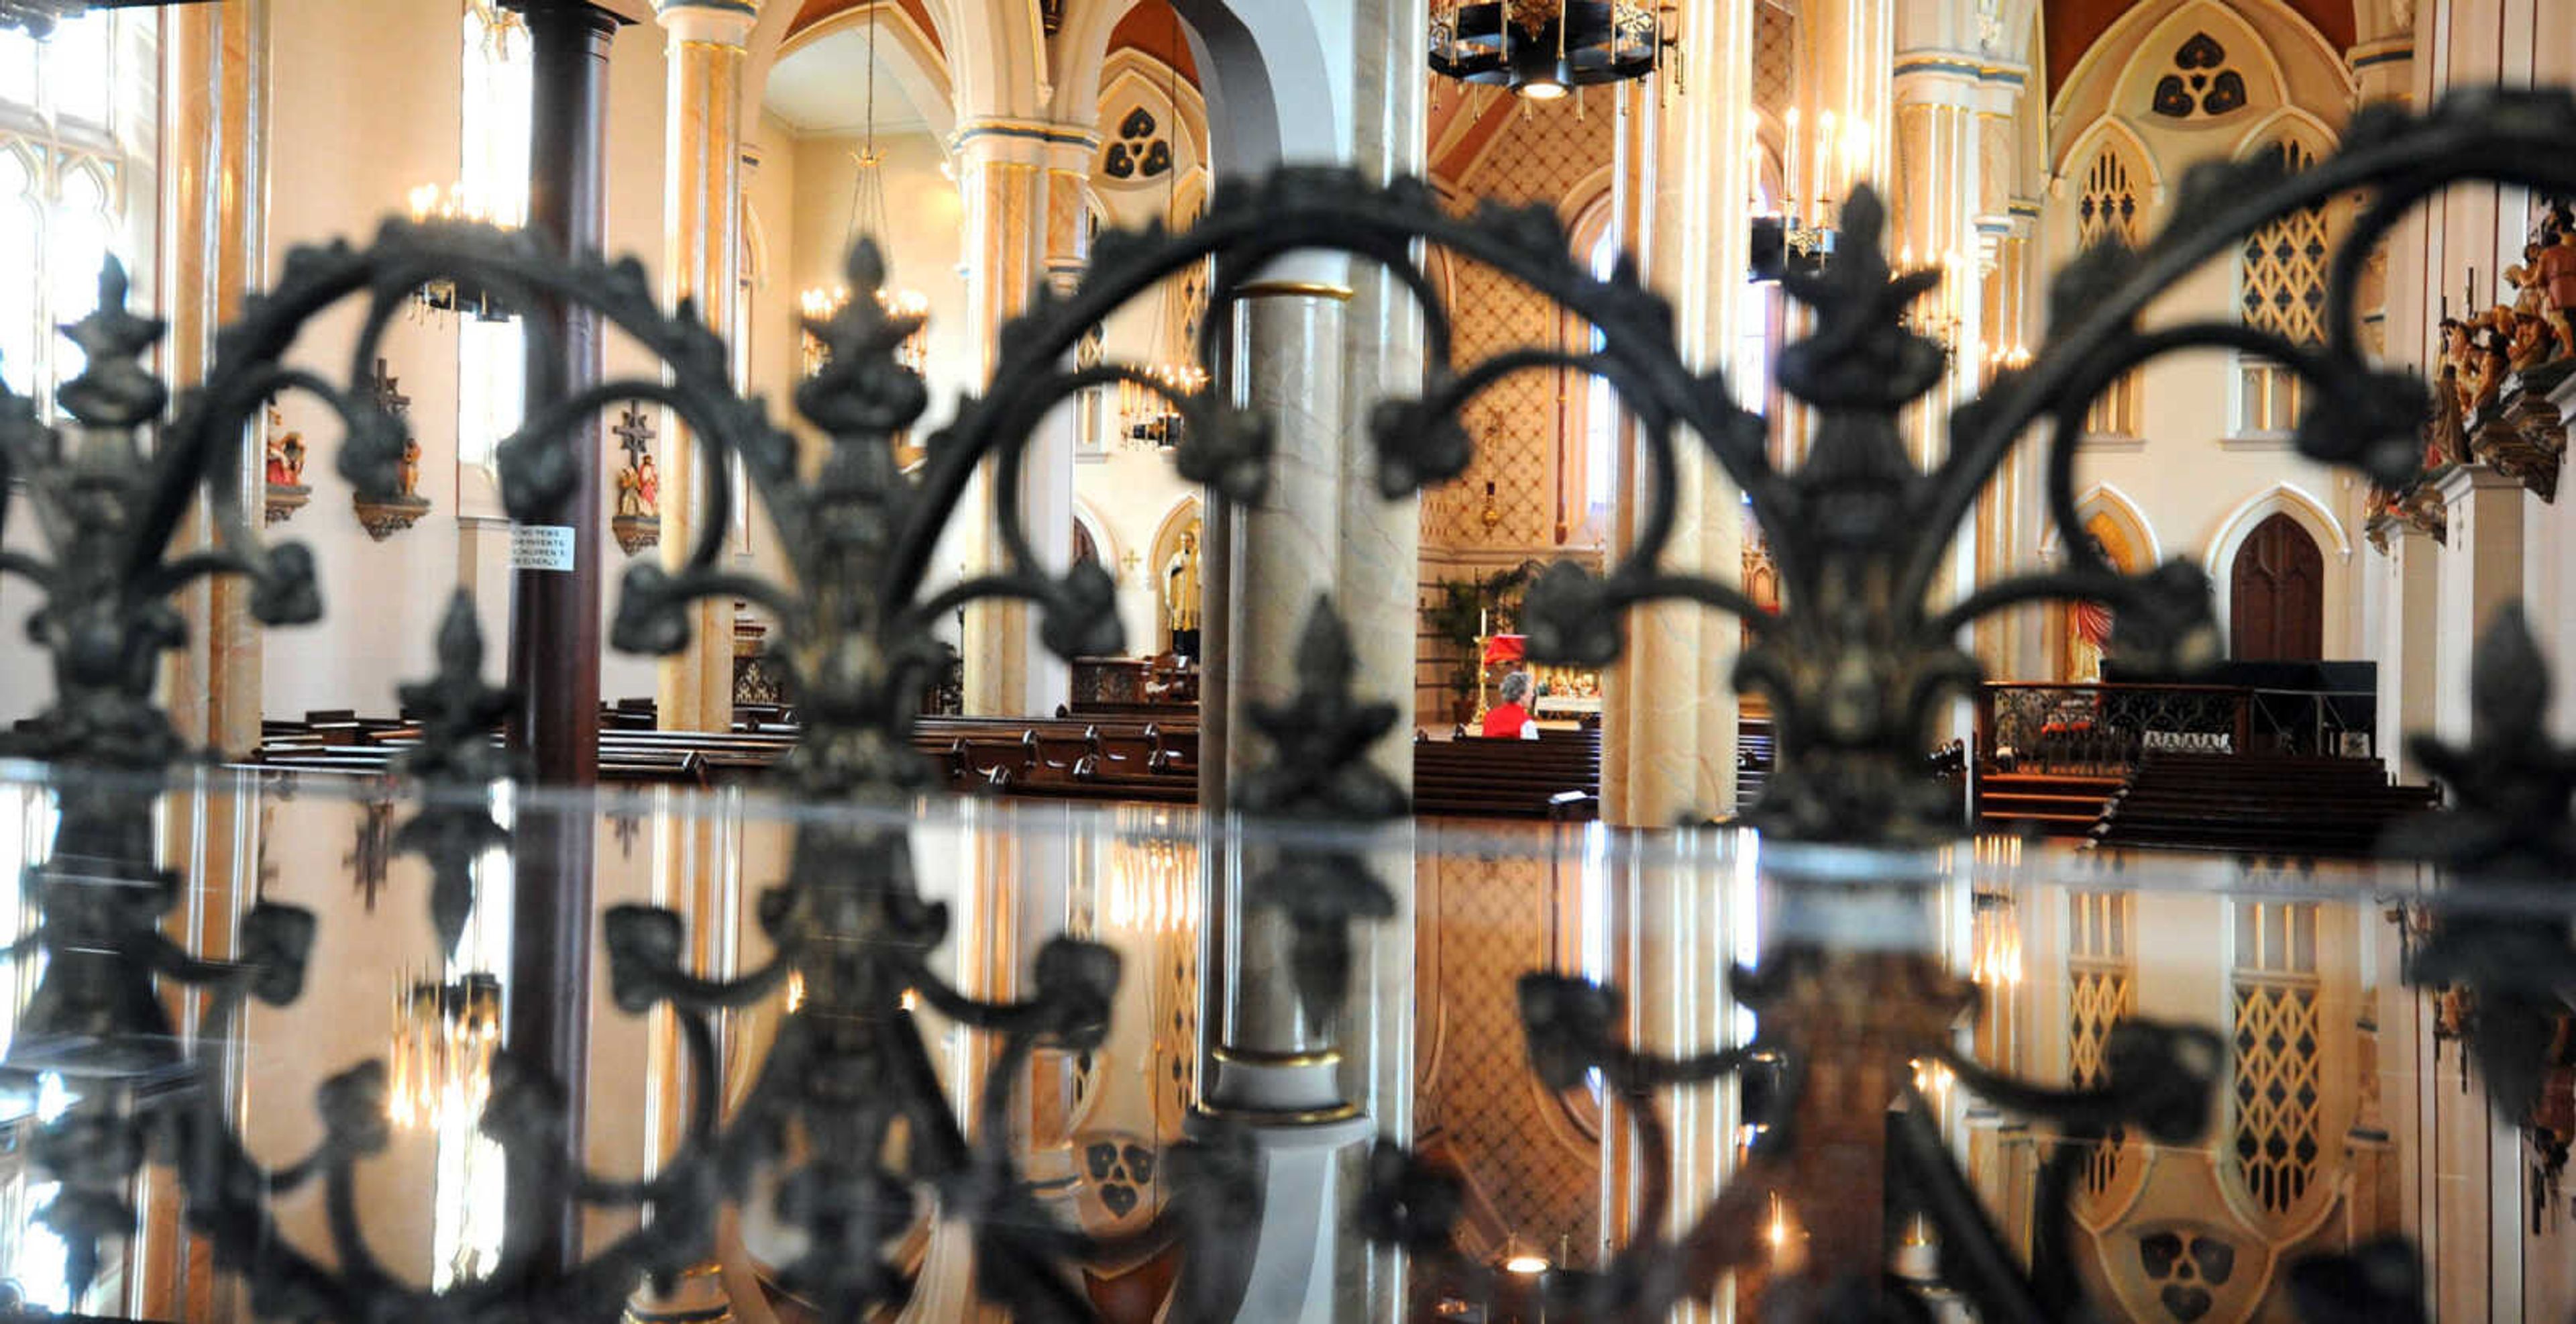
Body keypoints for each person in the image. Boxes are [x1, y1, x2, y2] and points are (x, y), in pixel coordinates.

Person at [1483, 670, 1540, 740]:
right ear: (1521, 694)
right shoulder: (1526, 724)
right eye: (1531, 691)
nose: (1533, 695)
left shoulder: (1489, 717)